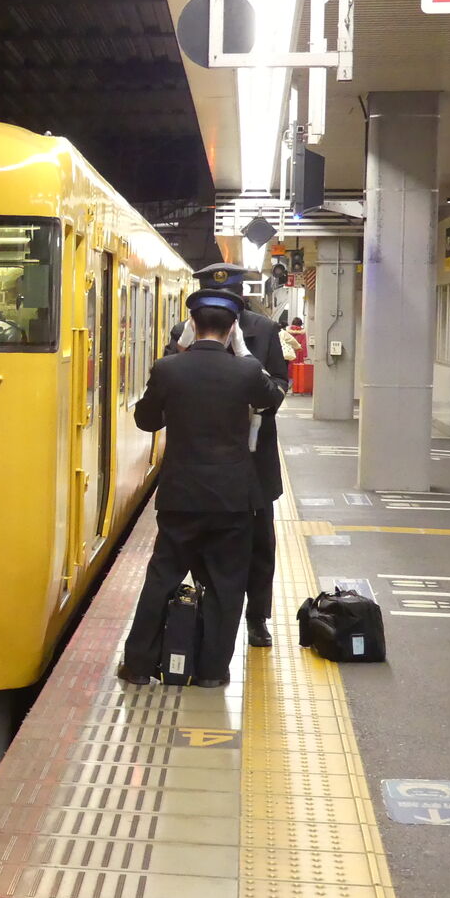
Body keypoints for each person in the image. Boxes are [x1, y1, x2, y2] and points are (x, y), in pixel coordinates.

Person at [120, 289, 286, 687]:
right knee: (227, 584)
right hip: (233, 498)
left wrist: (178, 356)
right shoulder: (247, 371)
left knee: (162, 576)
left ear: (192, 325)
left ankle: (138, 666)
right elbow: (272, 399)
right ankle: (212, 672)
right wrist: (244, 355)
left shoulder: (168, 368)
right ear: (233, 329)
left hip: (181, 495)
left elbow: (146, 421)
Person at [166, 263, 289, 648]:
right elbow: (167, 381)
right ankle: (206, 607)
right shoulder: (184, 333)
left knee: (260, 542)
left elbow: (280, 383)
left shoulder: (264, 330)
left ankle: (257, 617)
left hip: (254, 457)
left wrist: (258, 399)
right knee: (203, 539)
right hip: (203, 458)